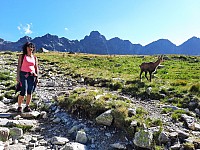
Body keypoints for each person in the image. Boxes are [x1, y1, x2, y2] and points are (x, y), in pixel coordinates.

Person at [16, 42, 39, 113]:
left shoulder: (34, 57)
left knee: (30, 91)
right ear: (26, 48)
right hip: (23, 75)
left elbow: (36, 67)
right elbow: (19, 67)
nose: (30, 48)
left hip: (32, 76)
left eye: (31, 47)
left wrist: (37, 77)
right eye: (29, 47)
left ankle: (27, 106)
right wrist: (18, 76)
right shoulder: (22, 56)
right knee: (23, 90)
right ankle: (19, 106)